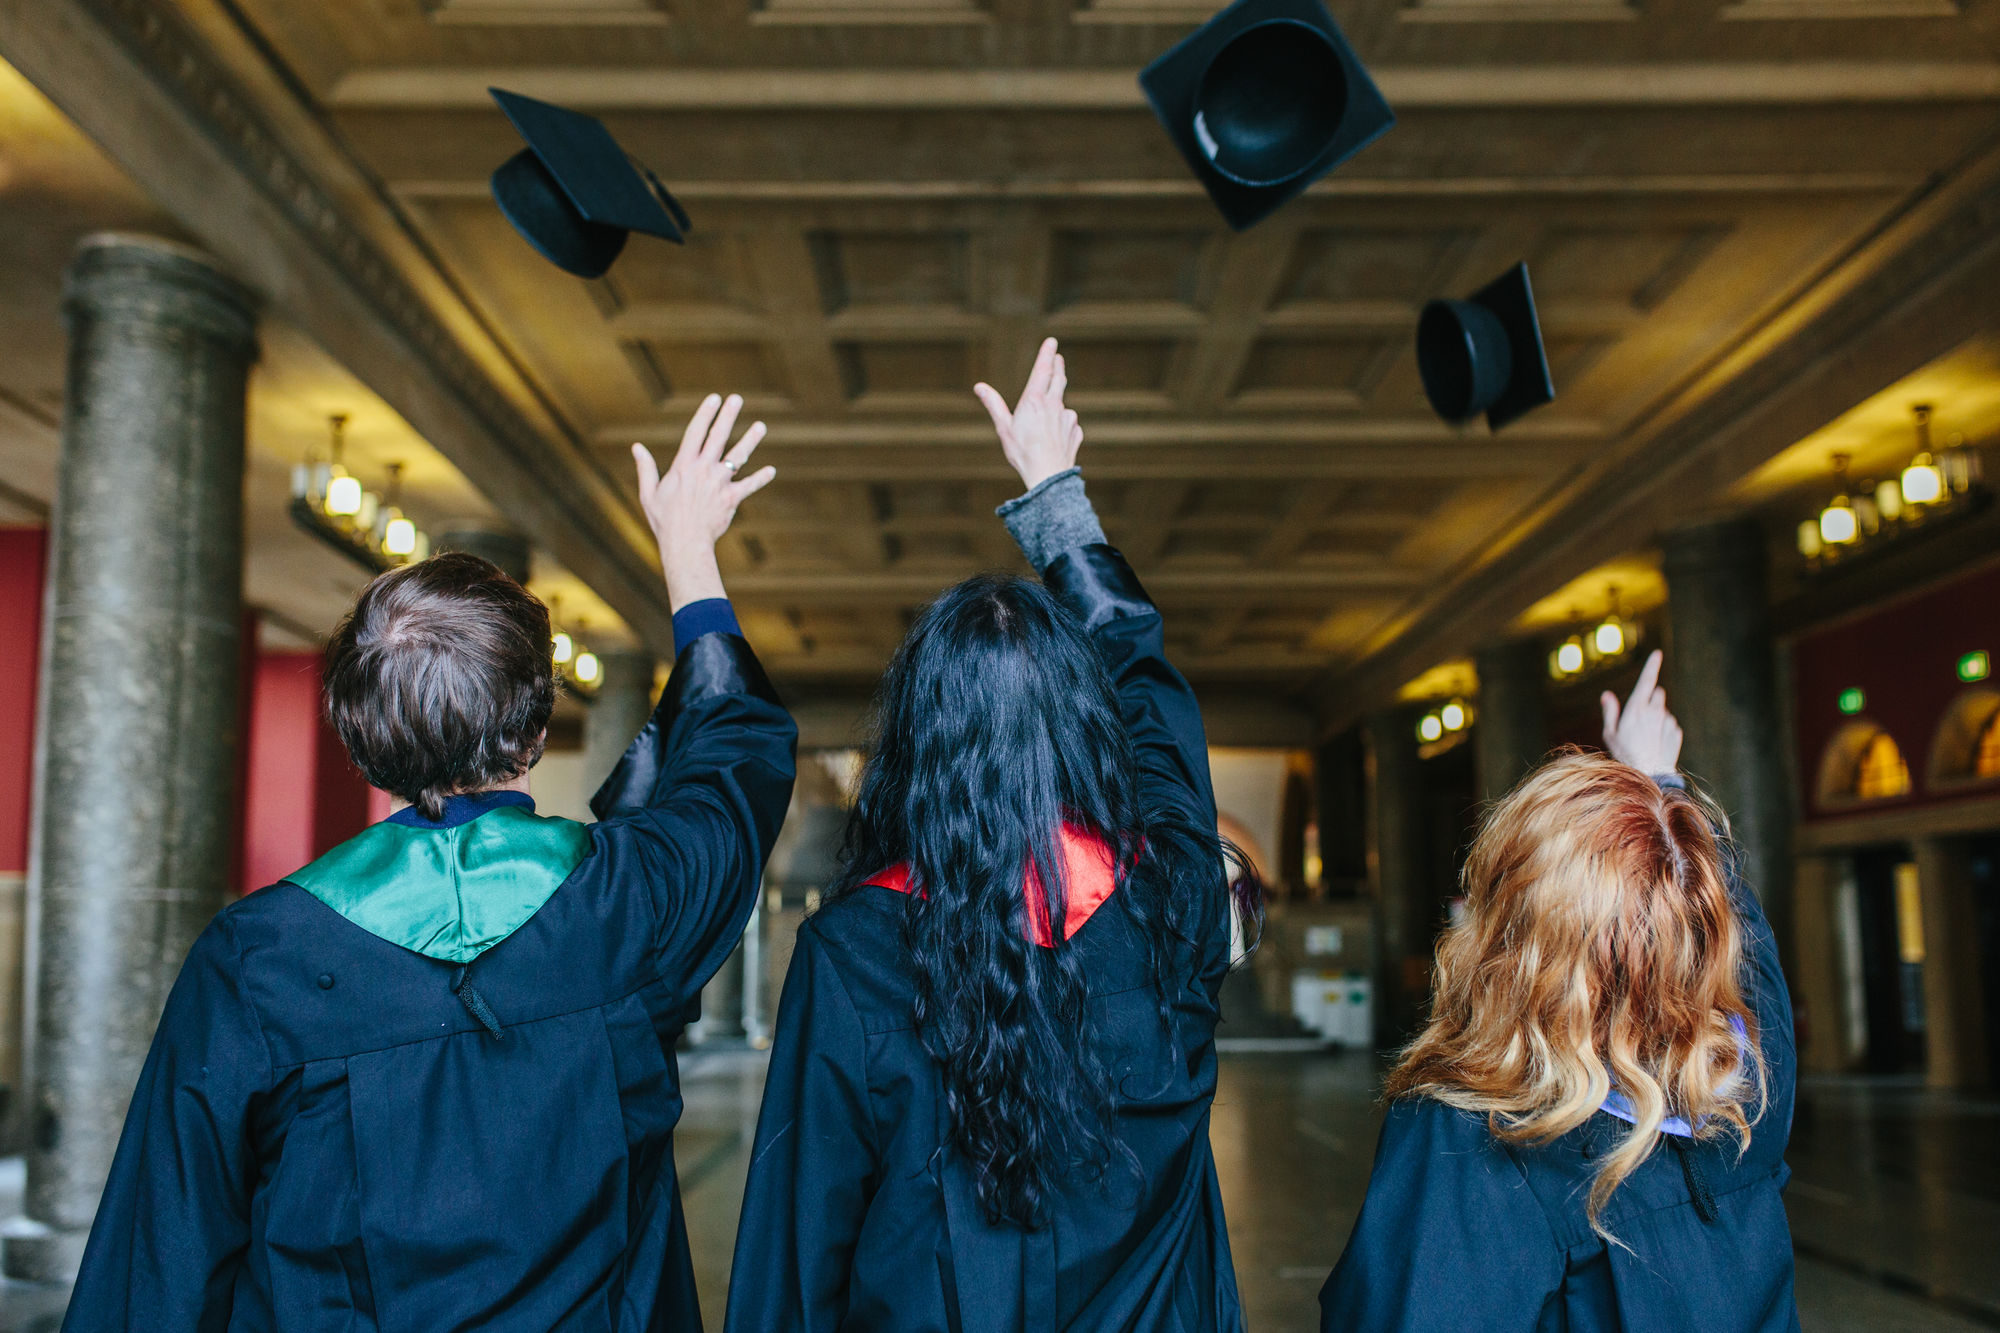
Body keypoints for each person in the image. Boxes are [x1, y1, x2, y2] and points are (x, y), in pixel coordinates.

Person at [62, 394, 795, 1330]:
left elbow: (160, 1259)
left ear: (363, 747)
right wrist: (688, 547)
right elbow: (732, 757)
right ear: (535, 729)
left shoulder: (256, 962)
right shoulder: (631, 903)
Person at [725, 338, 1250, 1332]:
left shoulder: (853, 954)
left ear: (921, 743)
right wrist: (1058, 498)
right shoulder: (1171, 897)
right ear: (1082, 724)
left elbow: (797, 1249)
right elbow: (1150, 700)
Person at [1318, 651, 1799, 1332]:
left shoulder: (1477, 1137)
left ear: (1512, 934)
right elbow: (1747, 946)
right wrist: (1661, 789)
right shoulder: (1750, 1086)